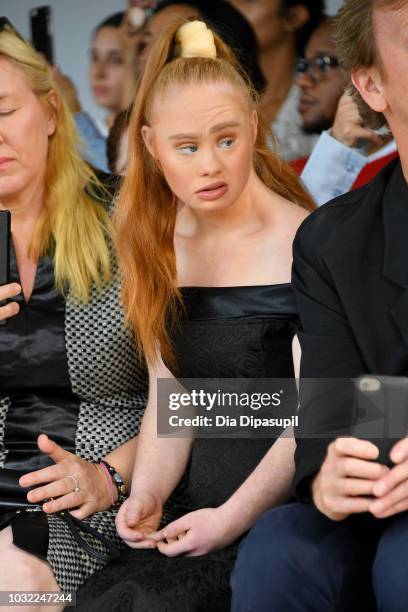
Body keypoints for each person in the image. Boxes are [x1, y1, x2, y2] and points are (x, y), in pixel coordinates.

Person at [75, 18, 315, 611]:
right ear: (151, 146)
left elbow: (326, 408)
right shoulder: (157, 243)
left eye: (226, 139)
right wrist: (147, 493)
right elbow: (172, 396)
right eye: (187, 147)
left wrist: (230, 519)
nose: (209, 164)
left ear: (254, 127)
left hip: (281, 514)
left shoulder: (310, 242)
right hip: (189, 514)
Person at [232, 1, 408, 610]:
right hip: (388, 474)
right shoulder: (333, 240)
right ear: (370, 84)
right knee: (281, 546)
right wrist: (331, 472)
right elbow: (334, 402)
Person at [0, 18, 147, 608]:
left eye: (4, 110)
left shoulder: (130, 222)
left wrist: (112, 475)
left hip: (104, 495)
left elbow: (192, 391)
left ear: (53, 112)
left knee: (15, 588)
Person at [294, 17, 398, 205]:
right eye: (304, 65)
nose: (303, 81)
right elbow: (299, 233)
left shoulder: (400, 170)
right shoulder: (294, 173)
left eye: (322, 63)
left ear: (368, 76)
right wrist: (336, 148)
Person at [230, 0, 324, 161]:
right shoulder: (218, 91)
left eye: (247, 1)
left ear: (294, 17)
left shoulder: (320, 103)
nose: (231, 7)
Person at [55, 12, 126, 172]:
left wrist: (72, 107)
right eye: (95, 58)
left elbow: (117, 179)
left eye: (116, 60)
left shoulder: (152, 135)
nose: (99, 72)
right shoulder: (100, 130)